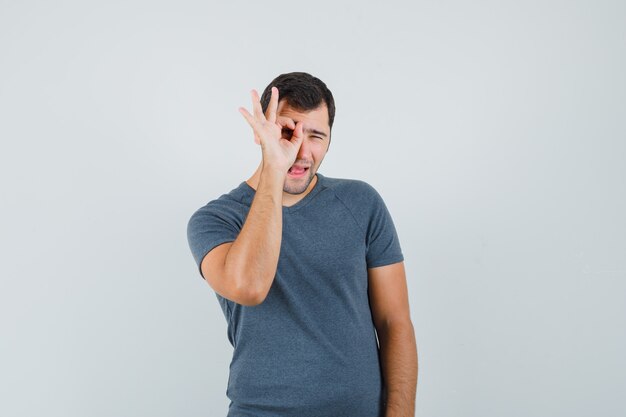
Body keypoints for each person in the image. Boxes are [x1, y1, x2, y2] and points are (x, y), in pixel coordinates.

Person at [186, 72, 417, 417]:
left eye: (316, 136)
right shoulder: (216, 219)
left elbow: (394, 322)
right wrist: (274, 170)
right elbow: (249, 287)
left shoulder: (361, 203)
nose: (301, 150)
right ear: (260, 133)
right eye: (286, 132)